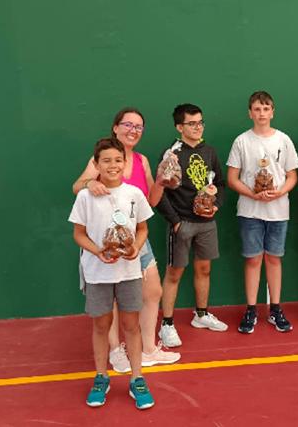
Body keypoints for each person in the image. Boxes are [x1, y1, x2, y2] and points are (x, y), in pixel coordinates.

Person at [73, 108, 180, 371]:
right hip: (106, 241)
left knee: (153, 290)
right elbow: (77, 186)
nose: (133, 130)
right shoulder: (102, 158)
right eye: (128, 125)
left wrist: (163, 181)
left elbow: (152, 201)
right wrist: (89, 184)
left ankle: (148, 349)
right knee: (112, 300)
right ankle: (116, 352)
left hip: (136, 239)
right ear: (116, 127)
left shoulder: (141, 161)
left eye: (139, 127)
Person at [69, 137, 155, 409]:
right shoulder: (86, 196)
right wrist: (98, 252)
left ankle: (137, 378)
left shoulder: (134, 195)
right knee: (101, 325)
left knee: (131, 325)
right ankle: (101, 376)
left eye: (118, 160)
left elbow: (142, 229)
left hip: (129, 271)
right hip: (98, 273)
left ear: (125, 163)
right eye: (106, 160)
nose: (112, 165)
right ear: (96, 165)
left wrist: (136, 249)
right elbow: (79, 235)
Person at [151, 103, 228, 347]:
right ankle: (167, 324)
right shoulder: (171, 154)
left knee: (204, 269)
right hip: (182, 223)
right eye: (192, 123)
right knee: (174, 273)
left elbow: (222, 185)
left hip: (207, 223)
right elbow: (160, 191)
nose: (197, 127)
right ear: (179, 127)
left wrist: (216, 205)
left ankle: (201, 315)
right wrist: (174, 222)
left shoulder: (210, 151)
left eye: (200, 122)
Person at [226, 91, 298, 334]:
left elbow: (292, 176)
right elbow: (231, 178)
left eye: (266, 109)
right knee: (253, 259)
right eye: (257, 109)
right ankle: (251, 309)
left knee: (273, 258)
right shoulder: (241, 141)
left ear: (272, 112)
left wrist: (280, 193)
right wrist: (252, 194)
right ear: (250, 113)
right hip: (250, 210)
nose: (261, 113)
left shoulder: (284, 140)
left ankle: (275, 308)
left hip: (279, 210)